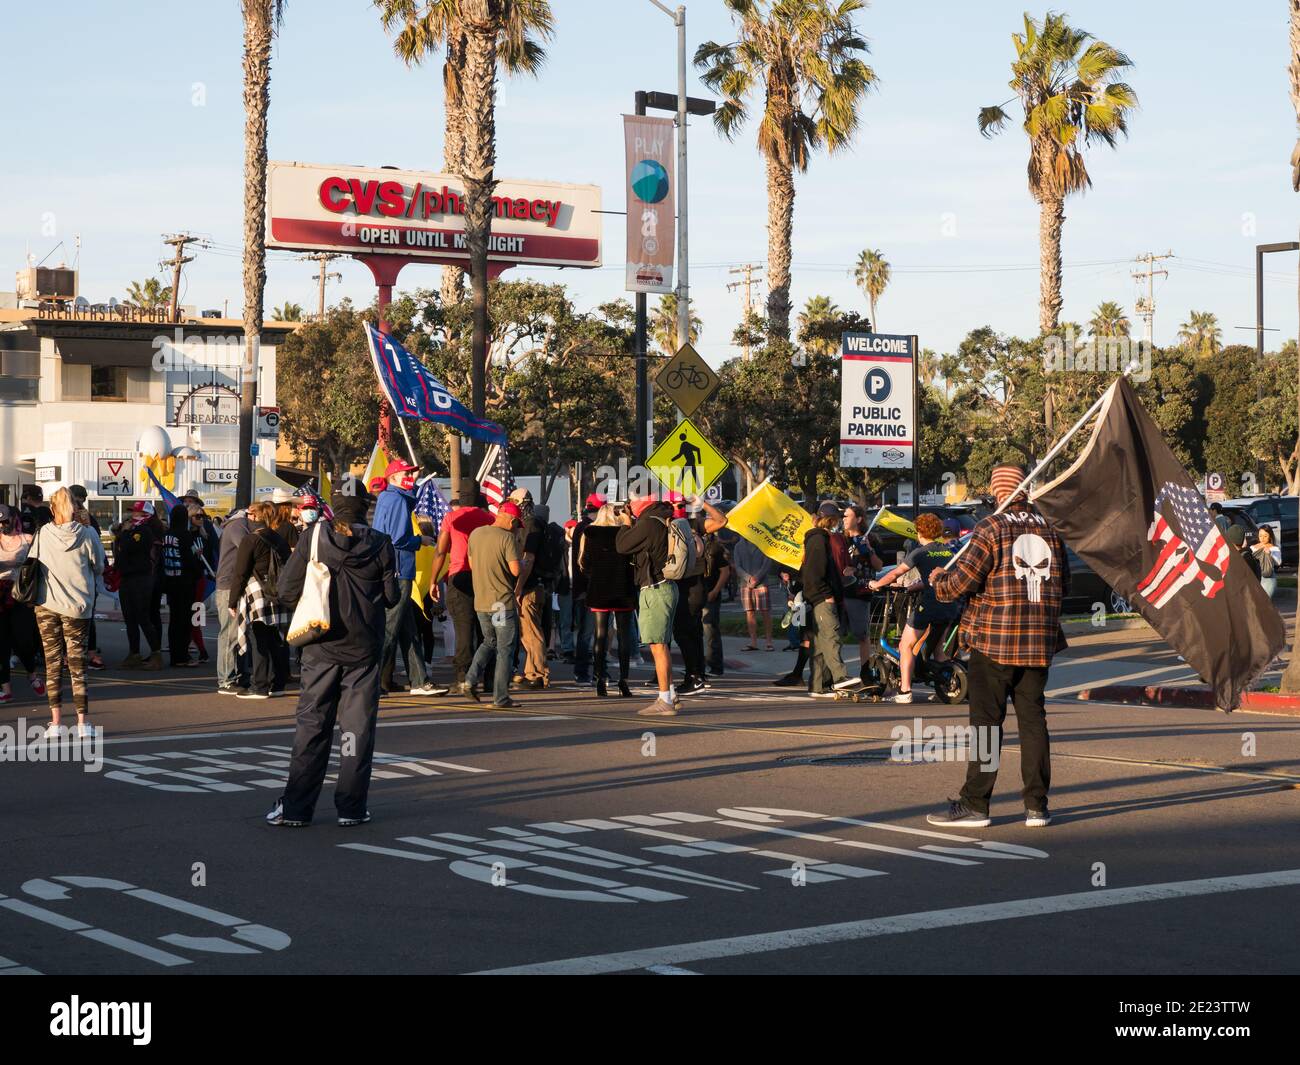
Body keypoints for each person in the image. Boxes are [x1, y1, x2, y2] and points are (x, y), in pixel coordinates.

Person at [929, 463, 1069, 829]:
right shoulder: (1051, 530)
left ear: (997, 492)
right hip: (1038, 643)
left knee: (987, 725)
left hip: (994, 641)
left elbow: (960, 583)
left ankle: (976, 804)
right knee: (1033, 722)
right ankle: (1036, 806)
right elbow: (1065, 584)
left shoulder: (991, 527)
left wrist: (939, 580)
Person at [265, 492, 401, 828]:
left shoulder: (314, 536)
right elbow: (391, 597)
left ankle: (296, 808)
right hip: (364, 647)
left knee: (312, 726)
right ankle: (351, 807)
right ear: (364, 509)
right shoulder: (381, 543)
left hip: (320, 644)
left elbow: (286, 590)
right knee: (357, 729)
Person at [30, 487, 105, 738]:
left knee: (52, 664)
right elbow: (99, 566)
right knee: (77, 664)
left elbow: (32, 563)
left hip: (47, 604)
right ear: (75, 507)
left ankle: (55, 723)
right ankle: (82, 722)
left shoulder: (43, 533)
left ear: (53, 509)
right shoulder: (88, 533)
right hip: (78, 606)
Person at [372, 459, 446, 697]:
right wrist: (420, 540)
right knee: (391, 628)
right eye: (406, 474)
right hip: (399, 570)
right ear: (393, 478)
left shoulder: (391, 498)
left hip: (395, 569)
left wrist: (413, 486)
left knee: (408, 630)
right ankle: (371, 681)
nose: (410, 477)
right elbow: (398, 538)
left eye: (411, 474)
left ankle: (419, 680)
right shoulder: (396, 500)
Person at [870, 512, 959, 703]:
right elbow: (936, 577)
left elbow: (895, 573)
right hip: (949, 605)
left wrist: (876, 584)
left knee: (905, 645)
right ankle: (948, 683)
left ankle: (905, 691)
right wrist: (915, 586)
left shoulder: (920, 552)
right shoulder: (947, 551)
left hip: (930, 605)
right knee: (938, 651)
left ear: (919, 532)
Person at [616, 494, 680, 716]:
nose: (630, 506)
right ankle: (671, 694)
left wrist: (626, 524)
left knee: (657, 646)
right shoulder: (662, 518)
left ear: (643, 502)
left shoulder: (648, 523)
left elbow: (622, 546)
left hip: (655, 589)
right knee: (663, 645)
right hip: (667, 586)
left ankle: (664, 700)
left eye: (632, 502)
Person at [429, 479, 493, 693]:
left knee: (463, 629)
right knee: (486, 630)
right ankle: (489, 677)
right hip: (484, 578)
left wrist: (433, 580)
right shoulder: (489, 519)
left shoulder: (451, 518)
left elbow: (440, 551)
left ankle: (463, 678)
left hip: (459, 576)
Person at [801, 501, 863, 699]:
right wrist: (827, 595)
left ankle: (818, 685)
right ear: (831, 520)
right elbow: (815, 572)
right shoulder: (819, 540)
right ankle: (840, 676)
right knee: (831, 636)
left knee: (820, 645)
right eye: (837, 519)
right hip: (822, 598)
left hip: (822, 596)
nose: (839, 523)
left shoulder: (821, 539)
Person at [230, 501, 292, 699]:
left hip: (257, 592)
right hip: (278, 592)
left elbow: (240, 573)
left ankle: (259, 686)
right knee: (276, 639)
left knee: (258, 639)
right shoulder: (279, 538)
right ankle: (278, 683)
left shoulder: (250, 539)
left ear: (256, 517)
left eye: (249, 514)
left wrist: (232, 601)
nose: (247, 517)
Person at [464, 501, 523, 708]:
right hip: (501, 603)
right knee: (505, 649)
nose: (516, 528)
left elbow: (472, 564)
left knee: (489, 642)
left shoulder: (476, 534)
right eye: (517, 524)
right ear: (512, 521)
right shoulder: (507, 538)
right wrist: (521, 559)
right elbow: (515, 570)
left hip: (481, 601)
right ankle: (501, 697)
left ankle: (470, 680)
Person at [671, 496, 729, 695]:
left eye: (681, 505)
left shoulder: (693, 523)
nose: (677, 508)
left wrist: (702, 503)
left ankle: (694, 676)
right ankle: (697, 674)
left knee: (684, 633)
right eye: (673, 505)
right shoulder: (665, 525)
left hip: (693, 586)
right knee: (692, 632)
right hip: (680, 585)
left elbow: (721, 520)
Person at [579, 503, 637, 697]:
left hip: (599, 589)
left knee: (600, 636)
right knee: (623, 637)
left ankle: (599, 679)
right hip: (623, 589)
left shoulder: (590, 533)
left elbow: (585, 563)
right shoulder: (624, 533)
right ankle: (623, 680)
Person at [0, 504, 45, 704]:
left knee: (23, 640)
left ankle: (32, 675)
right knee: (1, 643)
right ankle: (5, 688)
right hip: (0, 595)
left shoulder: (27, 540)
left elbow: (40, 567)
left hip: (21, 595)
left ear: (13, 518)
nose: (2, 525)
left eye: (4, 520)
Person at [111, 501, 164, 670]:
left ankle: (156, 654)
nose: (132, 516)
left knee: (143, 617)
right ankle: (134, 653)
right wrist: (120, 534)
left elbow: (128, 547)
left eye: (136, 513)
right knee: (130, 618)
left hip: (141, 578)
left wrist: (125, 533)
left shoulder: (144, 531)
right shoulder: (132, 530)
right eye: (132, 512)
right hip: (127, 577)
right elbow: (119, 550)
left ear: (145, 515)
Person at [215, 500, 254, 694]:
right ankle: (226, 679)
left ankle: (238, 676)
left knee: (239, 633)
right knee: (230, 633)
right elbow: (249, 549)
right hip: (229, 585)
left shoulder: (239, 525)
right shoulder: (238, 526)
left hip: (234, 583)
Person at [512, 494, 550, 690]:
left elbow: (529, 559)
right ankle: (530, 671)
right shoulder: (537, 524)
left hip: (530, 587)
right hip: (536, 586)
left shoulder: (531, 525)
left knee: (531, 632)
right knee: (528, 632)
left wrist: (518, 588)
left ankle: (537, 674)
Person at [67, 485, 106, 671]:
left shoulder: (88, 525)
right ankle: (77, 654)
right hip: (73, 578)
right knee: (75, 617)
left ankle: (88, 653)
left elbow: (97, 558)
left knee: (84, 617)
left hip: (82, 577)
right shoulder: (55, 525)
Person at [842, 503, 884, 673]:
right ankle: (836, 673)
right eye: (843, 516)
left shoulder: (871, 539)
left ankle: (865, 671)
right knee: (835, 635)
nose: (844, 519)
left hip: (860, 593)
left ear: (858, 519)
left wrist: (870, 550)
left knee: (862, 635)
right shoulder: (841, 540)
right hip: (840, 592)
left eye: (847, 516)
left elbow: (879, 566)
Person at [160, 503, 202, 668]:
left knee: (174, 620)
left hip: (170, 581)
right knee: (185, 621)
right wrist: (198, 571)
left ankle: (175, 656)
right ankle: (182, 656)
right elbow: (189, 559)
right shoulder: (185, 535)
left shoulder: (167, 535)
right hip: (185, 582)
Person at [569, 493, 605, 684]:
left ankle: (592, 670)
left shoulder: (581, 527)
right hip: (589, 588)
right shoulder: (589, 529)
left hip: (584, 588)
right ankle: (583, 671)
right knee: (589, 633)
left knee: (591, 632)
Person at [733, 536, 774, 652]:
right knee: (749, 612)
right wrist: (748, 578)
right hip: (745, 584)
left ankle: (769, 641)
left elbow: (767, 563)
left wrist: (757, 577)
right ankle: (753, 642)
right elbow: (737, 566)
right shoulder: (738, 546)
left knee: (765, 612)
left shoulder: (763, 543)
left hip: (762, 583)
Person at [701, 522, 732, 677]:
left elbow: (725, 571)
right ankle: (698, 667)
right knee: (696, 631)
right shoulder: (693, 546)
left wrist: (715, 591)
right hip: (696, 594)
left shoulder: (714, 548)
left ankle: (715, 666)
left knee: (710, 630)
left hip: (710, 593)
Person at [1249, 525, 1280, 598]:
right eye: (1260, 536)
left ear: (1270, 536)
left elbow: (1278, 562)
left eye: (1265, 536)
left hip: (1268, 579)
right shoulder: (1253, 548)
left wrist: (1270, 554)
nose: (1262, 538)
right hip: (1255, 578)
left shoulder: (1274, 548)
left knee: (1264, 600)